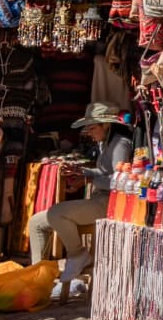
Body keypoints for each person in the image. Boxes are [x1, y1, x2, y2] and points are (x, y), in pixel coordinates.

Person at [28, 103, 133, 290]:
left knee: (56, 213)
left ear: (106, 125)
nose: (90, 132)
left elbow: (120, 181)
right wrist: (81, 172)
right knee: (36, 222)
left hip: (108, 203)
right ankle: (39, 280)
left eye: (93, 127)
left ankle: (78, 254)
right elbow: (102, 172)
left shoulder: (120, 145)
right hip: (97, 199)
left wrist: (87, 180)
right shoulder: (105, 143)